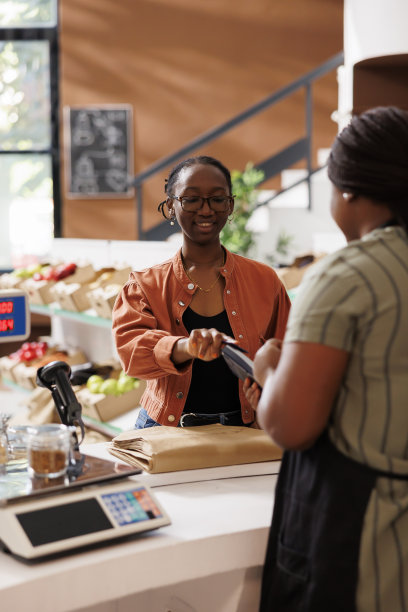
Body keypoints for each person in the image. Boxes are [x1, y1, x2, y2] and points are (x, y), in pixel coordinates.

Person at [243, 106, 408, 611]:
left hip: (364, 539)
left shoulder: (346, 275)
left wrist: (268, 370)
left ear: (348, 190)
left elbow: (292, 425)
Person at [112, 155, 291, 429]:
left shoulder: (264, 280)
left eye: (218, 199)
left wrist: (270, 385)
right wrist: (185, 347)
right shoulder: (143, 285)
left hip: (245, 427)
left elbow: (289, 351)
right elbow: (132, 355)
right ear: (171, 206)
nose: (206, 210)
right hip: (165, 428)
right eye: (191, 199)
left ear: (230, 206)